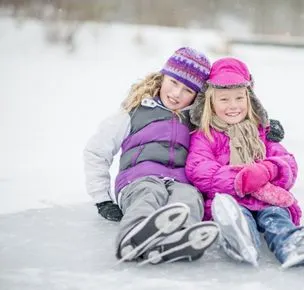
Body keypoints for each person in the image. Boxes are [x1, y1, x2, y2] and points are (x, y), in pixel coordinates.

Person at [185, 57, 304, 269]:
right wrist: (239, 180)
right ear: (210, 102)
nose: (233, 106)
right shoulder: (205, 135)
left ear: (249, 99)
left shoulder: (261, 132)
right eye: (224, 100)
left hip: (266, 199)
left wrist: (267, 170)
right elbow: (198, 169)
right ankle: (241, 240)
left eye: (239, 98)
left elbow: (287, 161)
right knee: (237, 218)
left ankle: (290, 243)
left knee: (276, 215)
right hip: (232, 198)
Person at [83, 47, 220, 264]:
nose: (176, 94)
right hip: (138, 180)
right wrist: (102, 199)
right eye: (174, 82)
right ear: (163, 77)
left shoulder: (196, 120)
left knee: (189, 198)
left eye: (187, 90)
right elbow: (97, 150)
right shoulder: (135, 112)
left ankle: (179, 240)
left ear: (197, 96)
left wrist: (265, 128)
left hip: (179, 182)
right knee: (148, 194)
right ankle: (135, 235)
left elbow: (232, 125)